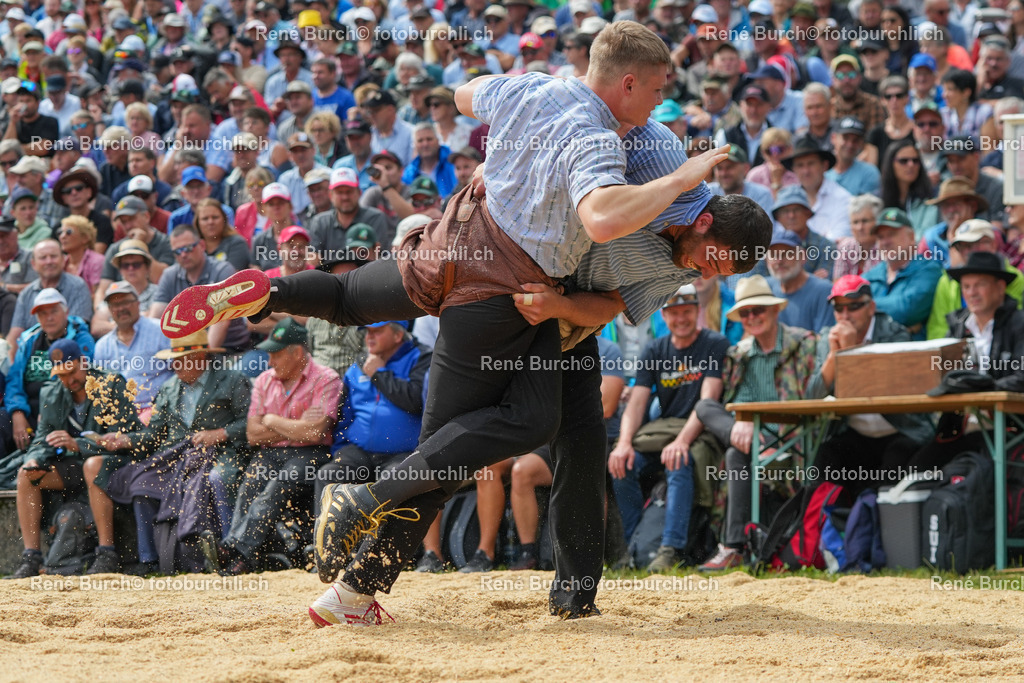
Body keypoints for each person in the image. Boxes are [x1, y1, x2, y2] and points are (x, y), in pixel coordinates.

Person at [165, 24, 769, 624]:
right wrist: (666, 179)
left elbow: (607, 303)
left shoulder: (543, 92)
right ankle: (356, 573)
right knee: (459, 449)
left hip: (505, 272)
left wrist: (506, 170)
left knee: (565, 438)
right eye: (714, 259)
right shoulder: (640, 145)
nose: (707, 275)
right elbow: (604, 213)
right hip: (512, 286)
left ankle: (268, 293)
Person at [696, 275, 817, 571]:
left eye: (758, 310)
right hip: (751, 438)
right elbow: (737, 402)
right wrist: (743, 424)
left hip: (795, 438)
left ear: (775, 311)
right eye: (746, 313)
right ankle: (734, 547)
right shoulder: (737, 356)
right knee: (705, 406)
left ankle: (733, 546)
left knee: (735, 455)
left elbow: (815, 398)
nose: (752, 317)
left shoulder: (804, 344)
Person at [203, 318, 341, 575]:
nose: (269, 361)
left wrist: (272, 420)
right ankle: (240, 553)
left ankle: (235, 550)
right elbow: (253, 435)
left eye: (275, 354)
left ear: (297, 352)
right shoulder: (266, 380)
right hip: (272, 451)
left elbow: (315, 432)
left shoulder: (327, 379)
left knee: (275, 489)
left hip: (311, 453)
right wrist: (296, 426)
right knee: (251, 486)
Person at [608, 285, 728, 572]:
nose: (681, 319)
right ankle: (632, 547)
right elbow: (637, 403)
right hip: (663, 432)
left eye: (687, 311)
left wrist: (682, 441)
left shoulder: (715, 344)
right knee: (622, 463)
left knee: (679, 461)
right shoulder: (655, 349)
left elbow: (707, 402)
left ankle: (670, 548)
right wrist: (624, 443)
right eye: (674, 313)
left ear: (698, 311)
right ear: (664, 315)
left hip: (702, 432)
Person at [11, 339, 140, 578]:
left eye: (72, 372)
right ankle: (31, 558)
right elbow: (41, 439)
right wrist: (34, 459)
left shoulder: (111, 383)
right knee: (26, 476)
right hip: (73, 467)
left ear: (83, 362)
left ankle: (106, 552)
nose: (68, 380)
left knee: (92, 465)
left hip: (111, 462)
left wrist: (79, 444)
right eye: (61, 375)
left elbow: (128, 436)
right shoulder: (52, 392)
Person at [804, 275, 933, 496]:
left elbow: (890, 389)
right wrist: (836, 355)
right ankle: (823, 528)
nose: (845, 316)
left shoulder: (895, 333)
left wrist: (852, 353)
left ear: (871, 307)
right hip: (854, 431)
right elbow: (812, 396)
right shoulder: (828, 337)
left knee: (888, 479)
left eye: (853, 307)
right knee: (824, 460)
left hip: (898, 429)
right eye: (839, 308)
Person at [6, 288, 95, 452]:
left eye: (54, 311)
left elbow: (79, 377)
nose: (49, 318)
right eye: (42, 314)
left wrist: (48, 410)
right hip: (27, 409)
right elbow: (14, 379)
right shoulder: (29, 341)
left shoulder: (81, 339)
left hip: (62, 408)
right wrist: (17, 412)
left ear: (66, 312)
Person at [926, 219, 1024, 339]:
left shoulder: (1016, 278)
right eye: (961, 247)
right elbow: (937, 329)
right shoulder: (947, 281)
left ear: (992, 244)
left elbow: (1013, 322)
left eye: (973, 245)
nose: (967, 252)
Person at [942, 251, 1024, 391]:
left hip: (1010, 412)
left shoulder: (1019, 324)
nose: (972, 293)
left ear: (1000, 287)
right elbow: (941, 376)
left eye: (980, 285)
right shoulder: (957, 327)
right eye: (966, 286)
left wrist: (983, 389)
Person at [92, 280, 173, 420]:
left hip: (160, 411)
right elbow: (101, 389)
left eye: (126, 302)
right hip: (120, 416)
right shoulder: (102, 346)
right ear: (110, 310)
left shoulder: (161, 331)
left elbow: (180, 372)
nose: (121, 308)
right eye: (115, 305)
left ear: (138, 303)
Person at [864, 207, 944, 340]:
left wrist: (864, 307)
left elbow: (907, 310)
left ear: (911, 237)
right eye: (880, 237)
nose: (885, 242)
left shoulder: (929, 269)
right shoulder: (870, 275)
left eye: (891, 234)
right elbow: (849, 310)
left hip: (914, 353)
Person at [7, 239, 92, 348]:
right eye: (43, 258)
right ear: (33, 264)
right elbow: (15, 336)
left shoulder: (78, 286)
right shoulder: (26, 294)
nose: (49, 261)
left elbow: (76, 328)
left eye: (53, 256)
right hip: (32, 356)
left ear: (63, 260)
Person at [782, 137, 852, 241]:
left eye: (811, 164)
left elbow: (837, 241)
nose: (806, 171)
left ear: (824, 165)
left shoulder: (843, 198)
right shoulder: (787, 198)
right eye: (800, 165)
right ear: (793, 169)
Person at [765, 230, 836, 333]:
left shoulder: (823, 291)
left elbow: (822, 341)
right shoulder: (764, 288)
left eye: (787, 254)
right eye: (773, 255)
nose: (779, 261)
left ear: (802, 256)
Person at [825, 117, 881, 197]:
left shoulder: (869, 173)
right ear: (833, 138)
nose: (850, 144)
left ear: (861, 143)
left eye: (855, 140)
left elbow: (866, 207)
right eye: (845, 138)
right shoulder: (821, 171)